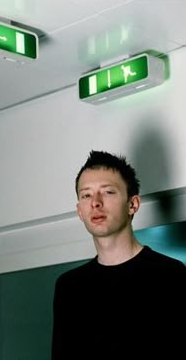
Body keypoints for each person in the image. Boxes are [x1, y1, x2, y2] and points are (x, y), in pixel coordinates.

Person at [51, 150, 186, 359]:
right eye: (86, 195)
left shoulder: (172, 276)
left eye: (107, 192)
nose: (95, 202)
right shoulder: (69, 287)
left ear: (132, 204)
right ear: (80, 211)